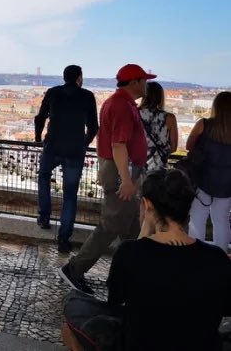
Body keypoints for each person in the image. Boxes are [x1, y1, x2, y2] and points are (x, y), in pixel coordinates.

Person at [62, 169, 231, 351]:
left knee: (72, 308)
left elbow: (117, 300)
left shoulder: (130, 253)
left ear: (147, 205)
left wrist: (144, 231)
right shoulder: (217, 258)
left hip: (139, 343)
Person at [59, 64, 155, 295]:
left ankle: (132, 276)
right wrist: (126, 180)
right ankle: (74, 269)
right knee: (111, 225)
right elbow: (118, 145)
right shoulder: (122, 105)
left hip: (123, 170)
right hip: (122, 172)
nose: (146, 84)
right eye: (144, 80)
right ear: (134, 82)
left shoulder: (120, 103)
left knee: (132, 229)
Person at [34, 65, 99, 254]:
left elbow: (40, 118)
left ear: (64, 77)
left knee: (43, 176)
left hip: (52, 146)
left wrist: (38, 138)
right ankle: (63, 239)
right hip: (74, 151)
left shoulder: (53, 93)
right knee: (70, 194)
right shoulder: (87, 96)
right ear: (79, 78)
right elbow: (94, 127)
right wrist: (83, 144)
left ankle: (44, 217)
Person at [187, 91, 231, 252]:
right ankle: (221, 257)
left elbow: (189, 146)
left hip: (202, 179)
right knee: (221, 221)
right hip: (227, 184)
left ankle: (195, 254)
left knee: (197, 217)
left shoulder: (204, 124)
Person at [138, 81, 178, 172]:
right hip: (159, 167)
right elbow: (174, 147)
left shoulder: (134, 113)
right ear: (160, 97)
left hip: (136, 167)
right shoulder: (169, 118)